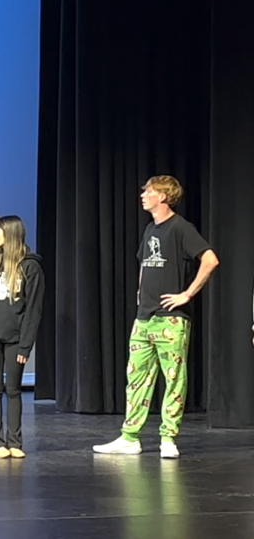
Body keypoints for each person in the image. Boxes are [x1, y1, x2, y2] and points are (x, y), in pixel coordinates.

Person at [94, 176, 218, 459]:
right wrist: (140, 293)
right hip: (144, 317)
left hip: (170, 319)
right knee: (136, 378)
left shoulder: (181, 228)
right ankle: (130, 437)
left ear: (163, 196)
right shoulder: (150, 228)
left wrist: (186, 294)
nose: (143, 194)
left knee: (174, 379)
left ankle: (168, 438)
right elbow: (143, 265)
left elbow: (210, 259)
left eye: (148, 191)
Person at [0, 216, 44, 459]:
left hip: (15, 339)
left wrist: (26, 345)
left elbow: (33, 310)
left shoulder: (30, 267)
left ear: (10, 234)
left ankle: (15, 441)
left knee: (13, 390)